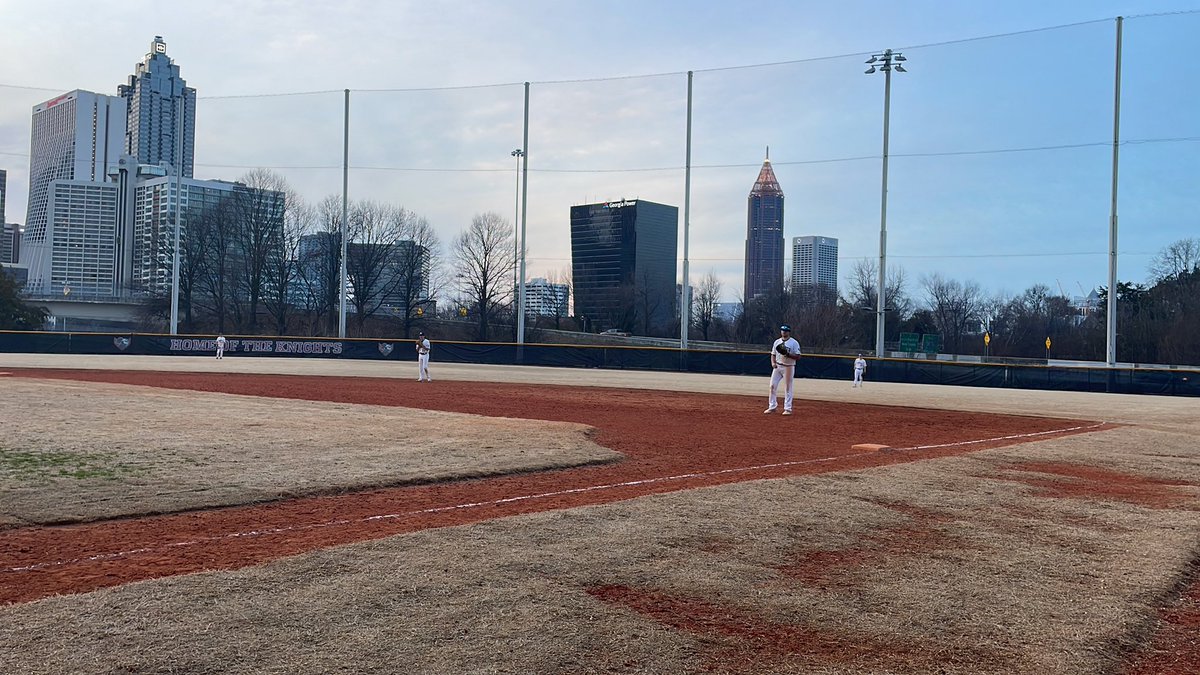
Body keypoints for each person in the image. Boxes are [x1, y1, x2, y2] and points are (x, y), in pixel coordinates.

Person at [765, 324, 801, 415]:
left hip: (788, 366)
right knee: (772, 386)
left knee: (788, 387)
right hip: (778, 366)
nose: (783, 332)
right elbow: (773, 354)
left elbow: (798, 356)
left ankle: (788, 408)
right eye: (782, 330)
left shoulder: (794, 343)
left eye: (785, 331)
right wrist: (773, 363)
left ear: (789, 332)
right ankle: (772, 407)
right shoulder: (777, 342)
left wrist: (788, 355)